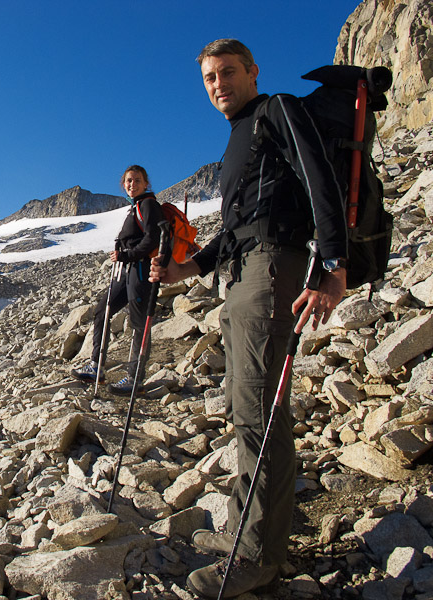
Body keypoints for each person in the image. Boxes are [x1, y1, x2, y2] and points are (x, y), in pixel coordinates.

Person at [150, 39, 347, 598]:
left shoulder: (278, 108)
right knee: (245, 409)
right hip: (238, 275)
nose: (219, 84)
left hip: (271, 270)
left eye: (228, 73)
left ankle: (258, 557)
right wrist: (189, 268)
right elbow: (237, 226)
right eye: (210, 78)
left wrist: (333, 264)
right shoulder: (238, 137)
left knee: (259, 411)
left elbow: (319, 180)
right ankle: (246, 530)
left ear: (253, 71)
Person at [71, 165, 161, 396]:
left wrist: (125, 255)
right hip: (128, 270)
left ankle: (134, 378)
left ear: (146, 183)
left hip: (141, 271)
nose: (132, 184)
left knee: (139, 322)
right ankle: (96, 365)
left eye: (137, 180)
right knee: (103, 309)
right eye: (129, 181)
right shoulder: (136, 208)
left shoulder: (149, 205)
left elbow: (152, 239)